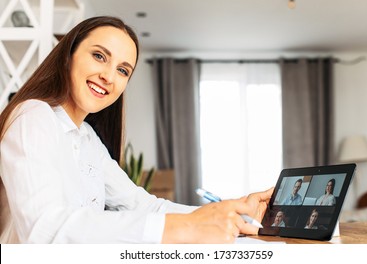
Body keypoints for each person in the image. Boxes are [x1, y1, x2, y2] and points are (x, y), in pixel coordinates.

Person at [0, 16, 274, 244]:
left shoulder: (88, 138)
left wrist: (233, 210)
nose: (108, 76)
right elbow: (44, 230)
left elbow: (142, 205)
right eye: (99, 56)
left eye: (122, 70)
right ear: (67, 57)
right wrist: (185, 228)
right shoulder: (33, 116)